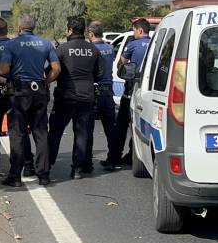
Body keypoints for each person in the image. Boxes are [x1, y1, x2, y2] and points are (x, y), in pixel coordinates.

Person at [0, 15, 60, 188]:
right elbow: (56, 69)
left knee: (17, 133)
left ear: (19, 27)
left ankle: (15, 176)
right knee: (40, 133)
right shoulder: (46, 43)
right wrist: (45, 82)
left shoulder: (12, 44)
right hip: (39, 90)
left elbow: (3, 69)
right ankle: (44, 175)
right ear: (34, 27)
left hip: (19, 92)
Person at [47, 17, 103, 179]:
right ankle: (77, 169)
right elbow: (100, 75)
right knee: (81, 132)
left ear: (70, 30)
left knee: (55, 132)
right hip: (86, 97)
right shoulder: (93, 49)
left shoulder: (62, 49)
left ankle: (48, 164)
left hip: (65, 97)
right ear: (84, 31)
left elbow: (51, 70)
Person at [0, 17, 34, 179]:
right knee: (19, 130)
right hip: (15, 93)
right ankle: (27, 164)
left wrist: (3, 80)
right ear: (7, 30)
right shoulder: (16, 46)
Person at [104, 17, 151, 170]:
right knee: (139, 125)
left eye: (134, 30)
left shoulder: (133, 45)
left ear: (140, 30)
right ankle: (134, 154)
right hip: (150, 90)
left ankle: (114, 158)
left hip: (132, 89)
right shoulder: (156, 43)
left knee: (121, 124)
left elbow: (121, 63)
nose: (134, 33)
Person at [87, 22, 118, 170]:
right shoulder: (110, 48)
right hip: (108, 91)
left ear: (91, 34)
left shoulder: (90, 49)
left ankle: (87, 162)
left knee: (88, 127)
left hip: (94, 90)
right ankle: (112, 159)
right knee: (110, 128)